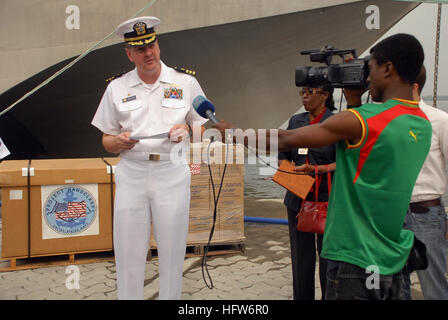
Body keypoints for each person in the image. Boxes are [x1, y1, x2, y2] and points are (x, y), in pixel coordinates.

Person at [213, 33, 432, 300]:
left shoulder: (361, 121)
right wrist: (353, 100)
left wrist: (234, 133)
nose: (366, 77)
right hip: (393, 258)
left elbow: (287, 138)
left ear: (388, 68)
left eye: (370, 68)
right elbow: (367, 153)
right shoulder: (422, 124)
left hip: (354, 258)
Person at [91, 16, 208, 300]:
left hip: (171, 171)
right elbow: (106, 138)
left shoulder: (185, 81)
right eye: (140, 49)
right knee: (129, 250)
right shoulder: (116, 88)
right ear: (129, 53)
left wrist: (188, 131)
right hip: (132, 172)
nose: (149, 53)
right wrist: (117, 142)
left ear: (158, 45)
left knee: (172, 248)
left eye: (152, 45)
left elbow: (201, 125)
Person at [278, 85, 336, 300]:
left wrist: (317, 170)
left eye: (310, 92)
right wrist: (286, 170)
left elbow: (344, 163)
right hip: (297, 199)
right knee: (301, 258)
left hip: (327, 199)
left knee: (328, 257)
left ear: (325, 95)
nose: (304, 96)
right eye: (302, 92)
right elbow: (282, 152)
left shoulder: (335, 123)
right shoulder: (296, 122)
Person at [401, 65, 448, 300]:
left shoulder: (440, 121)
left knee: (433, 287)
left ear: (414, 86)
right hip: (393, 215)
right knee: (396, 286)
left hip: (427, 214)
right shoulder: (388, 123)